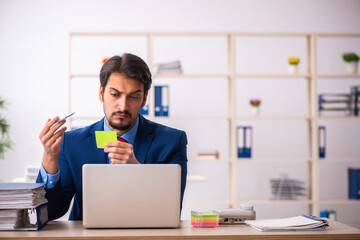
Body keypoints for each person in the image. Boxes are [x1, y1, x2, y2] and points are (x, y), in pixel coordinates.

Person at [37, 53, 188, 220]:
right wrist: (50, 158)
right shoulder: (71, 143)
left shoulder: (172, 141)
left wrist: (139, 172)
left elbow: (170, 210)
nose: (123, 106)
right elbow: (50, 212)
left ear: (144, 99)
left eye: (134, 97)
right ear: (101, 94)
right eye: (115, 95)